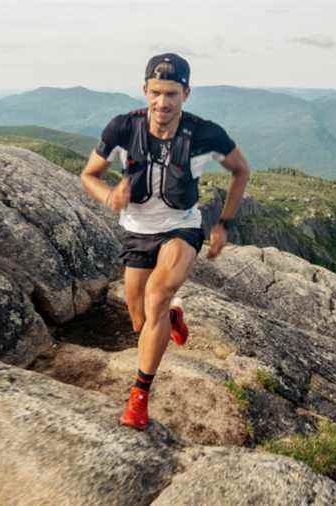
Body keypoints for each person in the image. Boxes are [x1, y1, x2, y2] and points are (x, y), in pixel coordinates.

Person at [80, 53, 250, 430]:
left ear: (186, 94)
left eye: (171, 93)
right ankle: (170, 318)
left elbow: (241, 171)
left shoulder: (205, 133)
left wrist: (223, 223)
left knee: (158, 293)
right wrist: (108, 195)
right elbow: (89, 175)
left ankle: (139, 398)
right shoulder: (122, 128)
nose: (163, 102)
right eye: (156, 92)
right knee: (141, 321)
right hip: (137, 230)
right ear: (144, 90)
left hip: (181, 227)